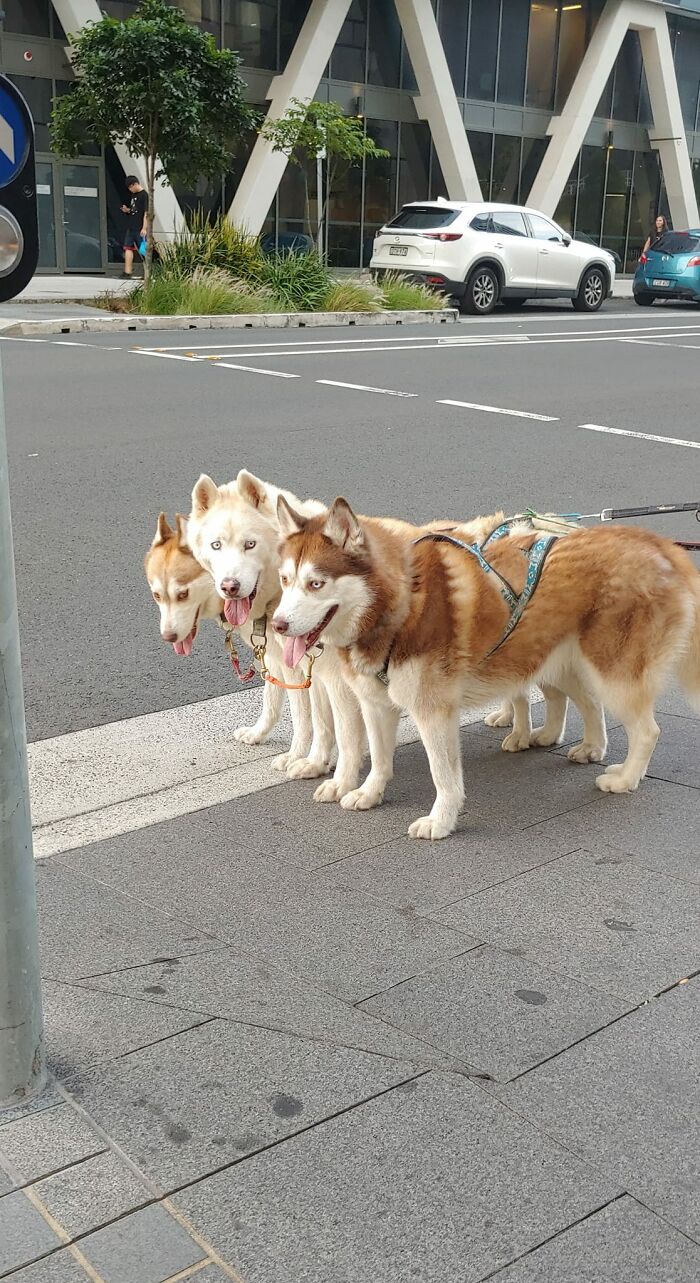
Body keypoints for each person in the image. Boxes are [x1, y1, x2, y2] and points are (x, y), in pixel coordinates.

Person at [120, 175, 148, 278]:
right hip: (131, 226)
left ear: (135, 184)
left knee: (143, 250)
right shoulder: (133, 196)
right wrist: (127, 210)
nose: (130, 190)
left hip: (140, 227)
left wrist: (144, 228)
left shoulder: (144, 195)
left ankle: (147, 274)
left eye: (130, 187)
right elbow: (134, 209)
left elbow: (146, 213)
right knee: (128, 247)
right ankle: (127, 272)